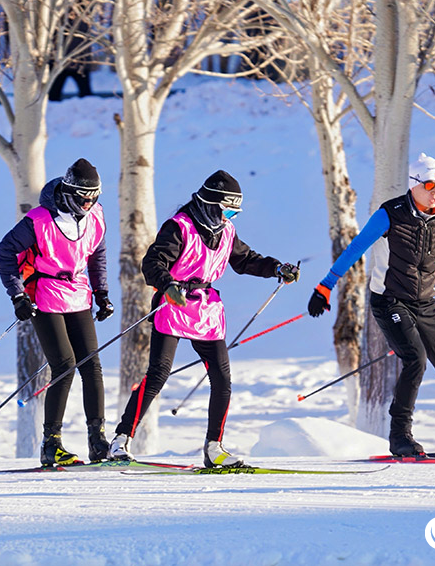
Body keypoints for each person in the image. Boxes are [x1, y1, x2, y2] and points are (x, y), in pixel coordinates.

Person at [307, 153, 435, 456]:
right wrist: (325, 285)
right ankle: (400, 435)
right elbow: (356, 247)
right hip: (389, 299)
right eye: (430, 184)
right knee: (415, 359)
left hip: (425, 301)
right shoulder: (390, 214)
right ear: (414, 184)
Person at [108, 170, 300, 468]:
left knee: (222, 380)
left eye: (235, 213)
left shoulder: (226, 233)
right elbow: (153, 262)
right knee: (158, 375)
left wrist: (277, 268)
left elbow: (246, 260)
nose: (230, 218)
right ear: (211, 204)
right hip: (173, 304)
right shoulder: (179, 227)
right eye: (227, 210)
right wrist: (167, 284)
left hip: (206, 309)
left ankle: (215, 448)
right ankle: (121, 440)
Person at [0, 158, 113, 466]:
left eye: (94, 198)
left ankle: (98, 441)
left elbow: (97, 253)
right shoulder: (39, 220)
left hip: (79, 295)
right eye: (82, 199)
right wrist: (17, 295)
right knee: (64, 365)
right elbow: (5, 251)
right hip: (46, 295)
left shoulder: (96, 215)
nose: (88, 204)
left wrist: (102, 293)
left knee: (92, 365)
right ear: (68, 192)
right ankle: (52, 444)